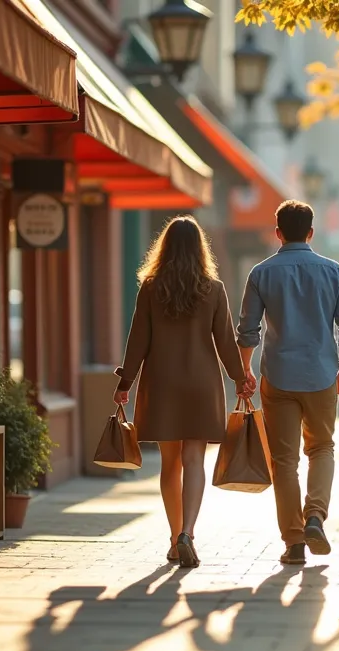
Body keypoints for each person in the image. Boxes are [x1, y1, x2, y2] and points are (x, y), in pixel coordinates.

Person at [114, 216, 255, 568]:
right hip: (201, 384)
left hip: (161, 382)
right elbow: (225, 341)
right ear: (199, 249)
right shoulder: (214, 288)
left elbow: (138, 340)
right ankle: (188, 533)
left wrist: (124, 383)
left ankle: (174, 538)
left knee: (170, 464)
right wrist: (240, 378)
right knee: (194, 461)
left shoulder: (150, 287)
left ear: (164, 247)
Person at [237, 199, 339, 565]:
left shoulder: (261, 273)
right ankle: (315, 516)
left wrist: (245, 370)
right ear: (311, 232)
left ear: (277, 233)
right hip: (322, 374)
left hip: (278, 376)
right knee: (322, 447)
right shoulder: (333, 271)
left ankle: (293, 542)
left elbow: (248, 330)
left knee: (284, 460)